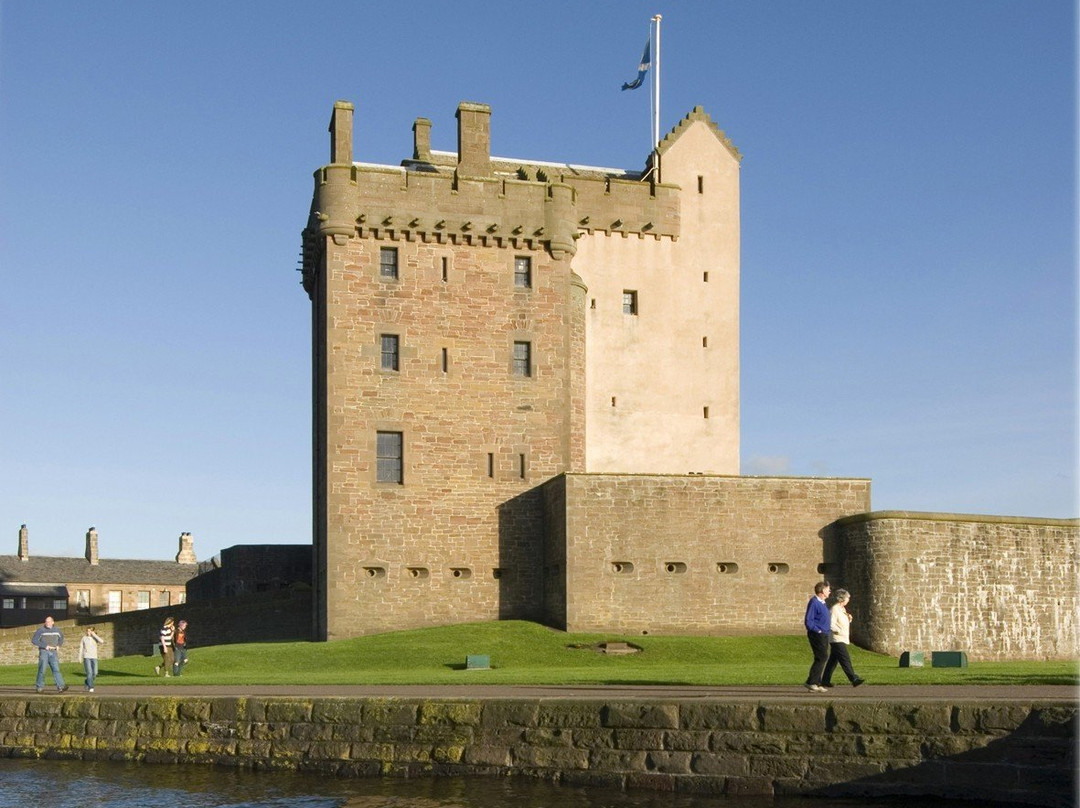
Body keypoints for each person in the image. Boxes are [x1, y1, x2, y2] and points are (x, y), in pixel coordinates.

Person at [822, 588, 865, 688]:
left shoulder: (842, 609)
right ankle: (853, 678)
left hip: (841, 638)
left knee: (833, 661)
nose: (848, 599)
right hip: (837, 639)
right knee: (845, 659)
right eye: (847, 598)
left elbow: (841, 622)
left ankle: (825, 680)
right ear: (842, 599)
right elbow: (831, 624)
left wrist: (848, 619)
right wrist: (839, 631)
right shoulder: (835, 609)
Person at [803, 581, 831, 692]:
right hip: (817, 634)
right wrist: (818, 630)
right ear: (823, 590)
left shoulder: (823, 603)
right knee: (822, 657)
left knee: (822, 657)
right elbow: (808, 620)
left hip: (824, 634)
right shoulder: (814, 602)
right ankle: (812, 682)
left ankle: (814, 682)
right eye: (828, 589)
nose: (830, 591)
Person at [30, 615, 69, 693]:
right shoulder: (40, 630)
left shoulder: (57, 630)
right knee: (42, 670)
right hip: (44, 651)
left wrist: (58, 645)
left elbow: (61, 638)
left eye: (49, 621)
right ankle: (39, 687)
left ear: (53, 622)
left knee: (56, 669)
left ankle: (61, 686)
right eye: (46, 621)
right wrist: (45, 646)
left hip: (53, 652)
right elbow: (34, 640)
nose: (47, 623)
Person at [78, 626, 104, 692]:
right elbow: (81, 648)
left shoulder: (95, 638)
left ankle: (87, 681)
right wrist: (79, 657)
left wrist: (94, 635)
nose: (88, 632)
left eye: (90, 631)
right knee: (89, 673)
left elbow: (102, 641)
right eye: (87, 631)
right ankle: (91, 687)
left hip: (94, 657)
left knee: (95, 673)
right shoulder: (84, 638)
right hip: (86, 657)